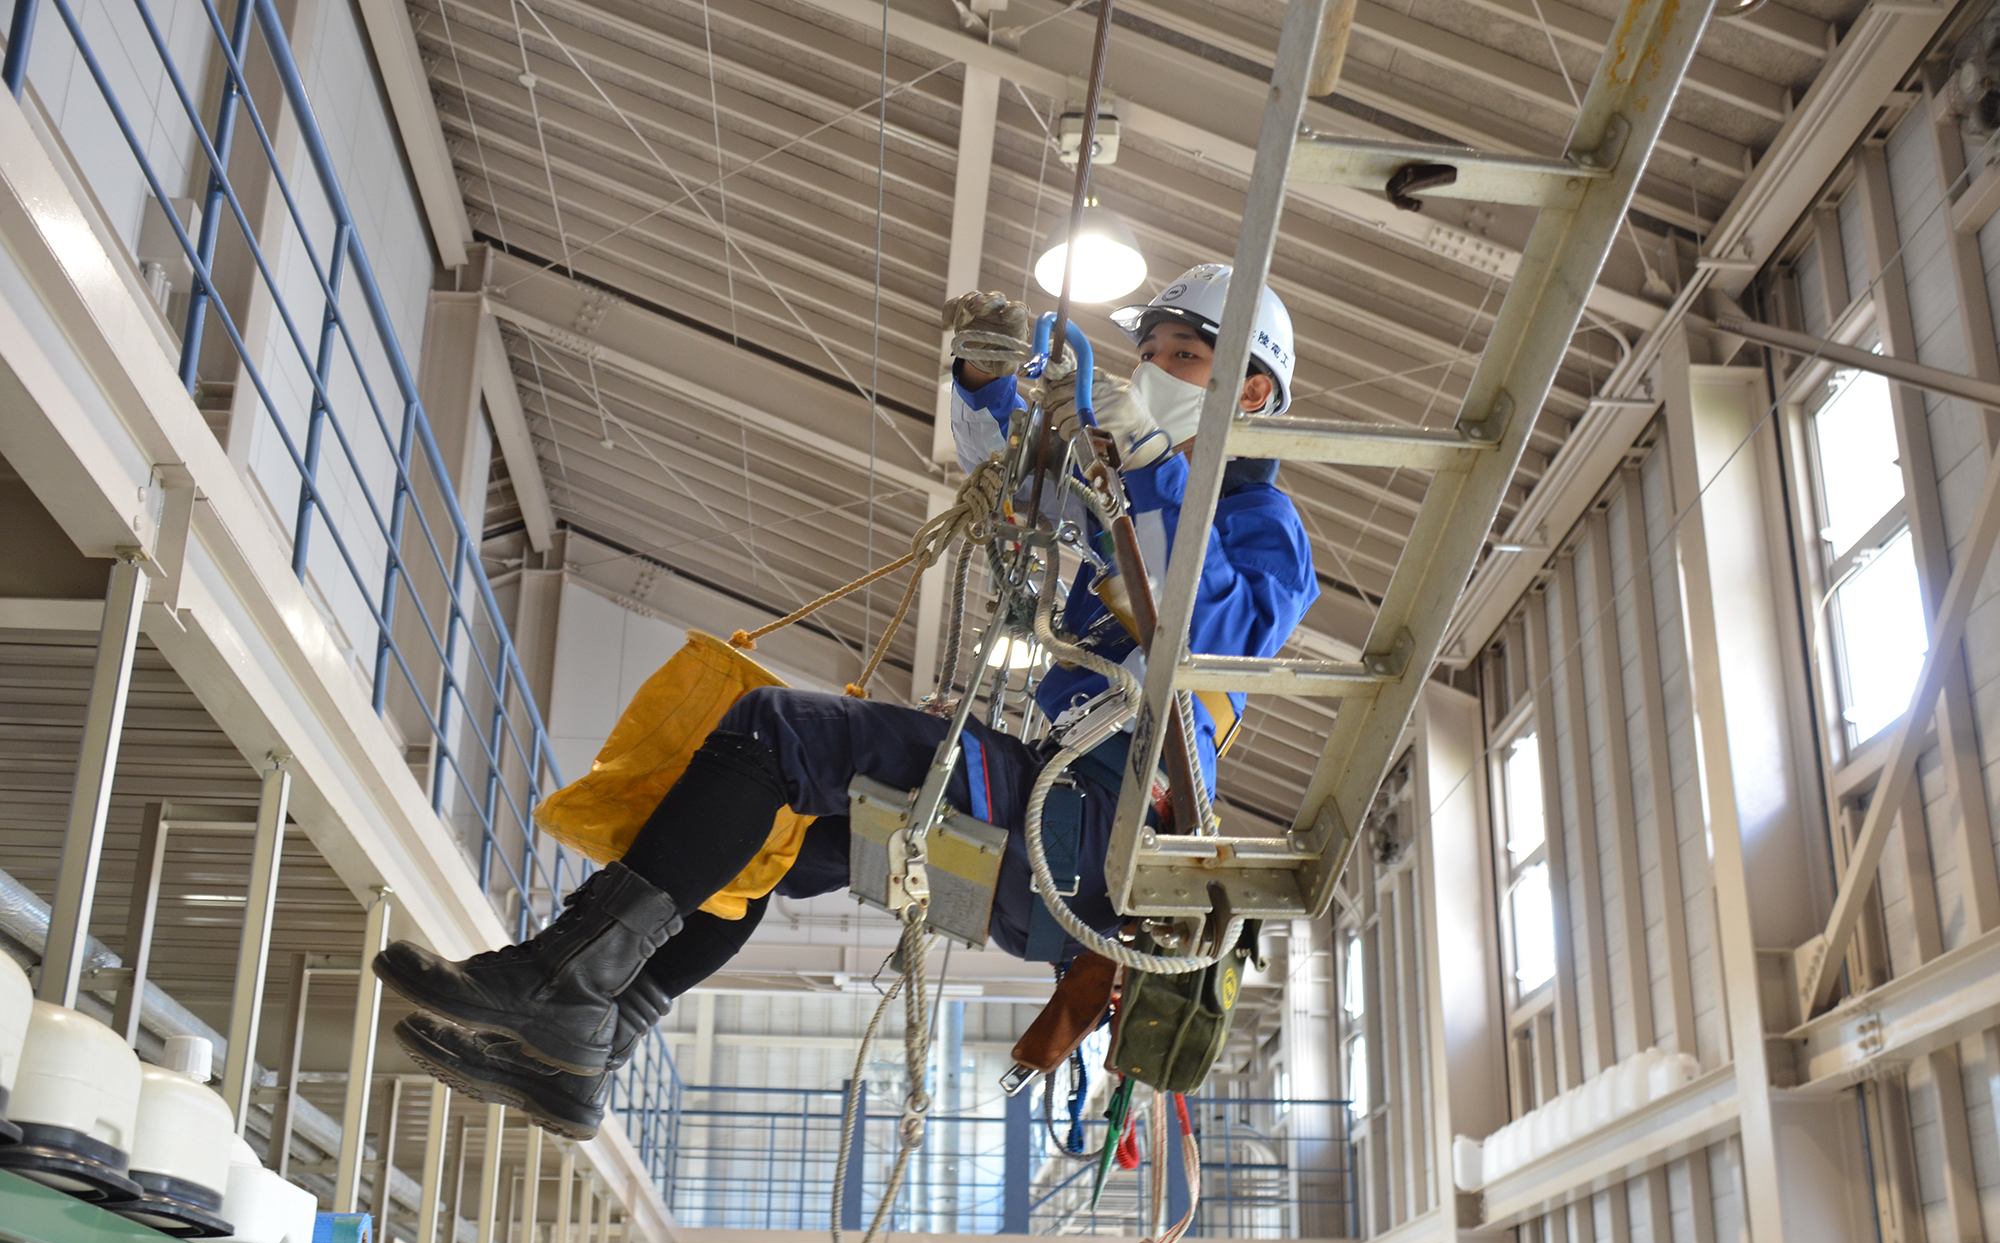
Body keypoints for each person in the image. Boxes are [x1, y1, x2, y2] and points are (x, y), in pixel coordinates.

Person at [378, 264, 1321, 1139]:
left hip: (1089, 830)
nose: (1154, 369)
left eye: (1183, 357)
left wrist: (1149, 459)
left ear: (1251, 393)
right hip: (1055, 834)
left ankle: (559, 977)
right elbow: (1013, 483)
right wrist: (987, 382)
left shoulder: (1262, 528)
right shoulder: (1135, 485)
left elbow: (1191, 619)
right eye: (1148, 353)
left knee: (772, 733)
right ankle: (597, 1039)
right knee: (775, 836)